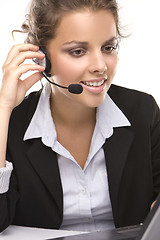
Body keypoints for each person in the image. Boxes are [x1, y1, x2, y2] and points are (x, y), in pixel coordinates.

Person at [0, 0, 160, 234]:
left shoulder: (142, 111)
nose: (100, 66)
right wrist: (4, 109)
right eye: (78, 51)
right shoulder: (12, 124)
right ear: (41, 58)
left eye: (108, 48)